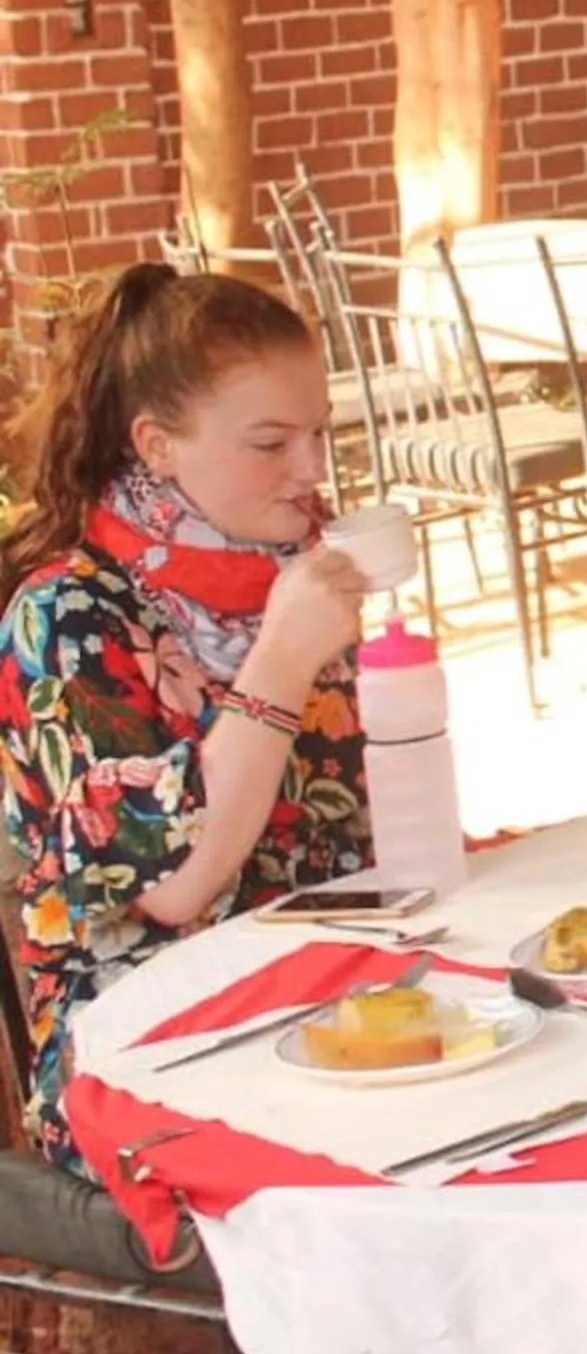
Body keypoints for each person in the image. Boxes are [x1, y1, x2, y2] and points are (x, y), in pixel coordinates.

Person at [0, 265, 371, 1177]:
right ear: (158, 446)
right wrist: (282, 661)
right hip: (143, 1041)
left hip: (321, 991)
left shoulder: (284, 580)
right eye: (270, 442)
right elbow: (174, 889)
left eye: (320, 432)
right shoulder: (68, 616)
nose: (312, 470)